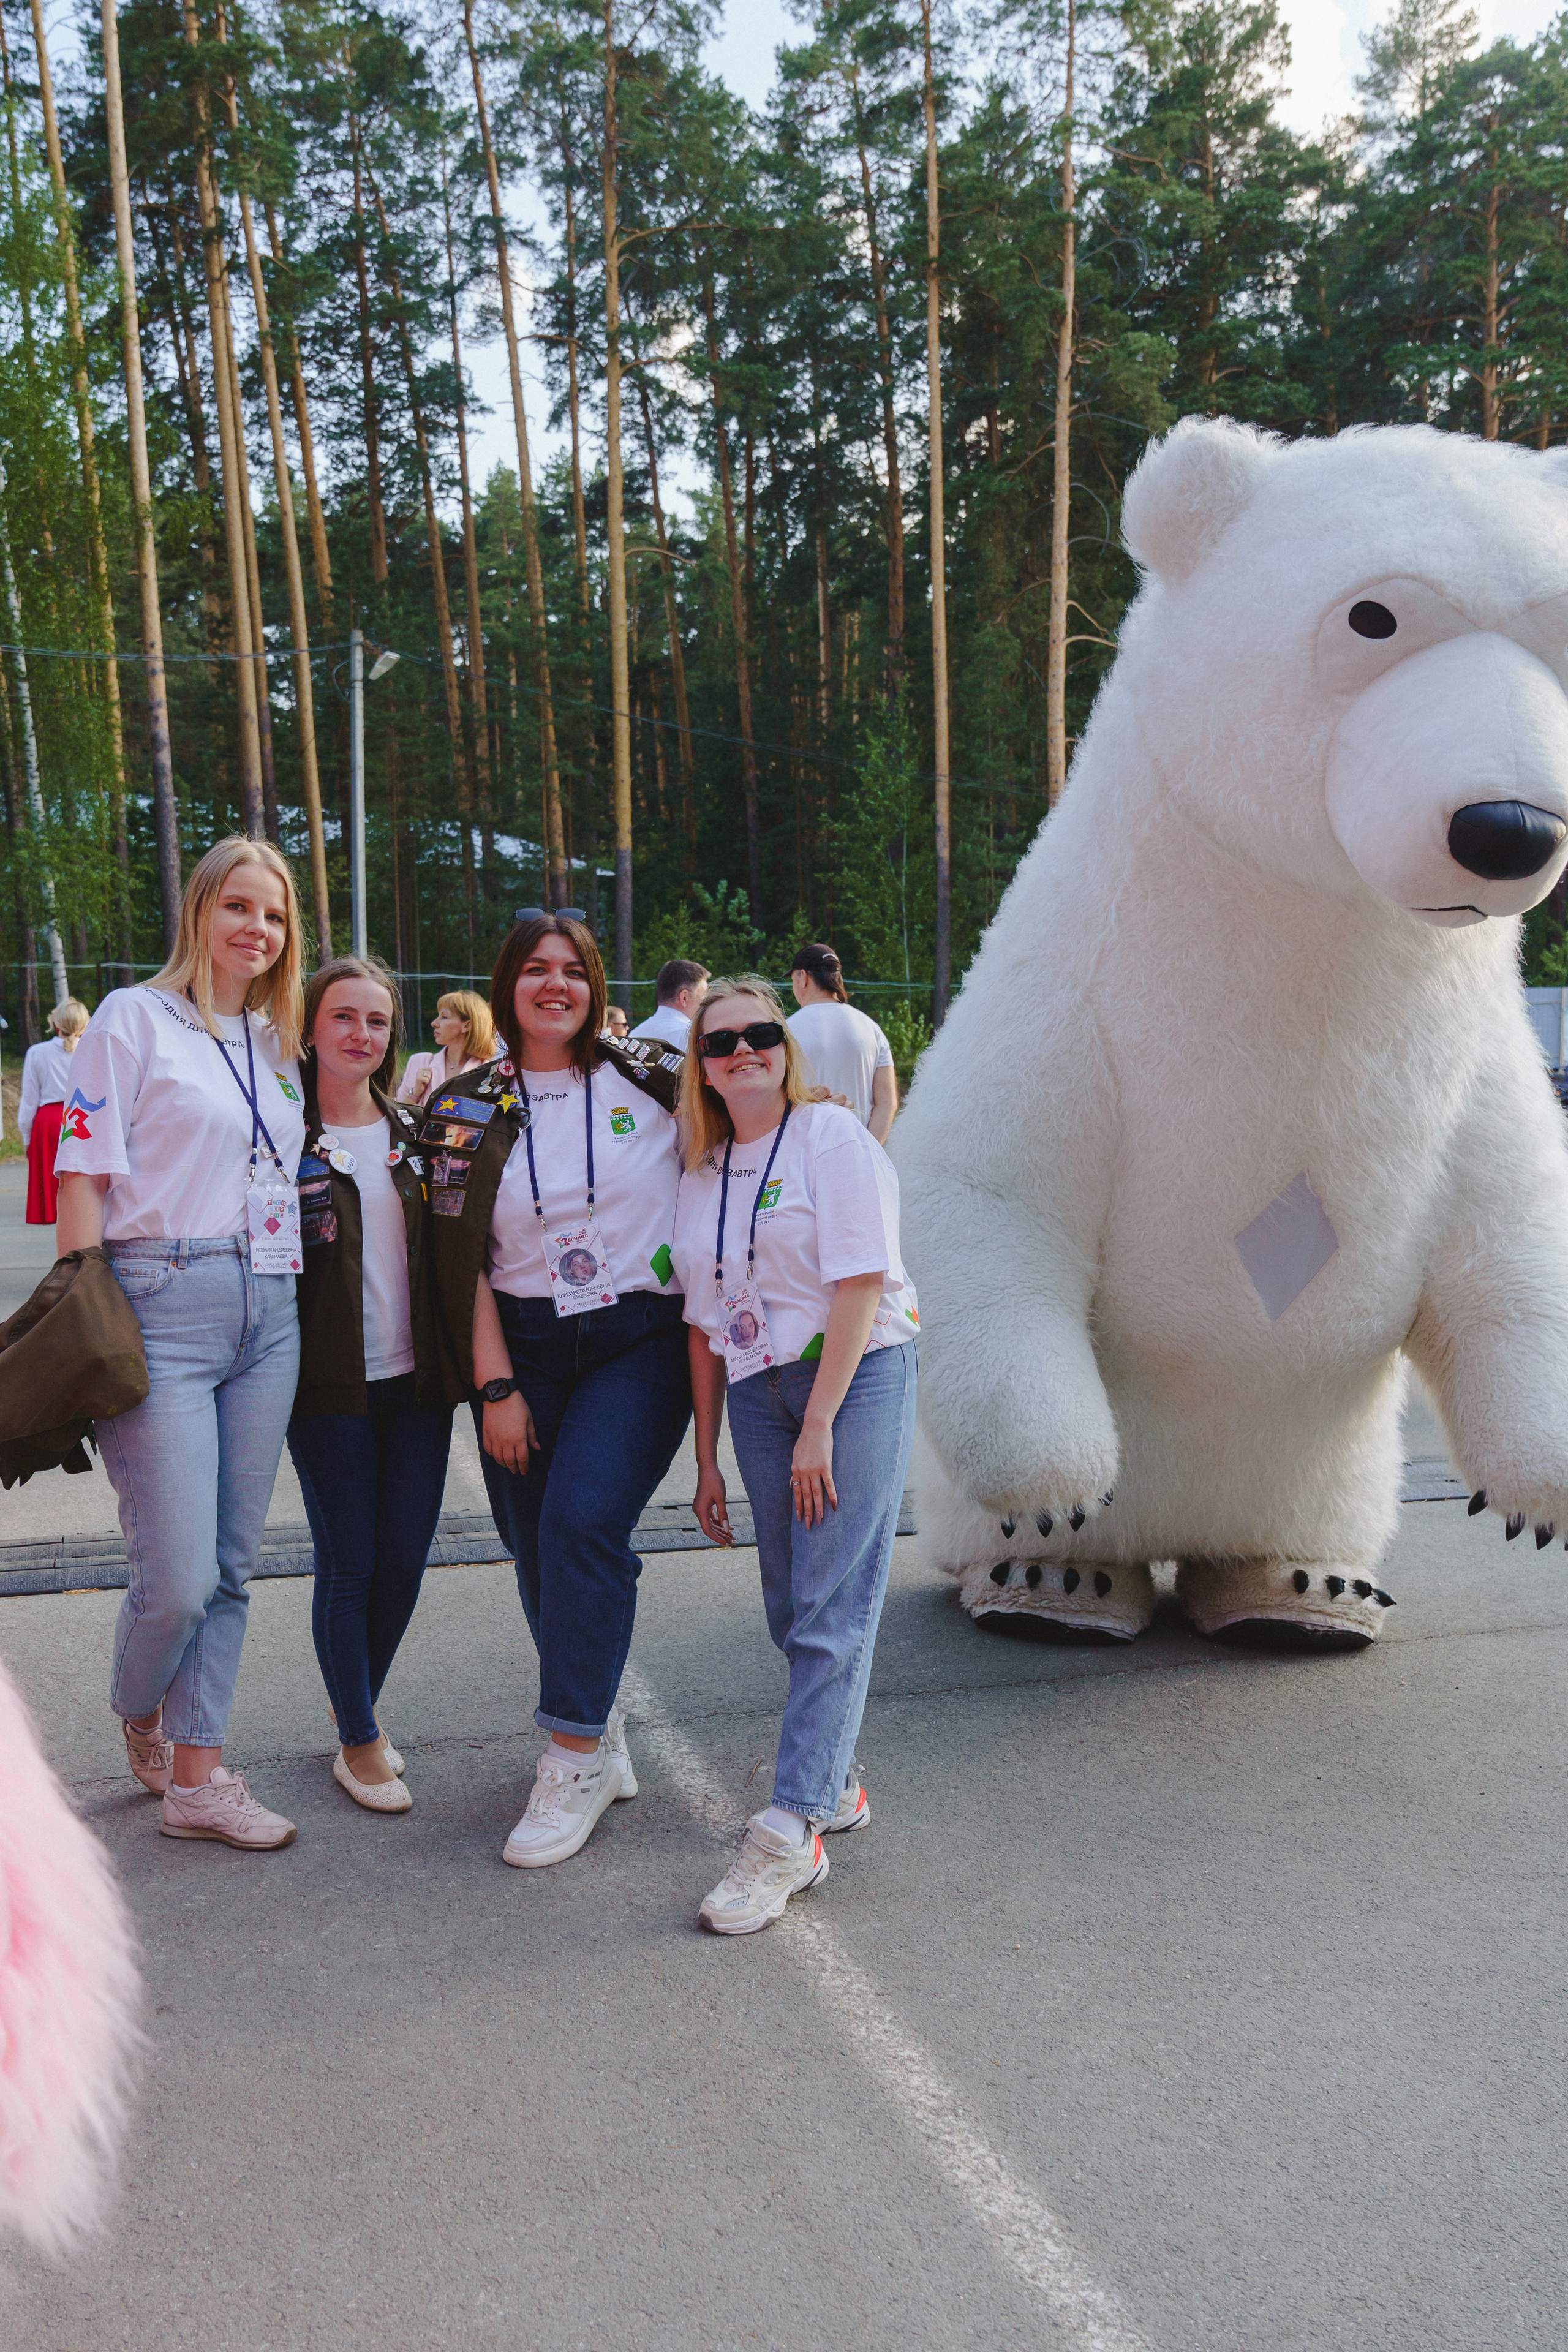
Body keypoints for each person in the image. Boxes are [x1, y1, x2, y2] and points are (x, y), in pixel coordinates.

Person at [420, 913, 690, 1869]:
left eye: (572, 971)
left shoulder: (655, 1079)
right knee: (537, 1546)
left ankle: (570, 1754)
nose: (554, 986)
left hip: (638, 1340)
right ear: (507, 985)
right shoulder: (461, 1104)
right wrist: (495, 1386)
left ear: (595, 984)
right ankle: (600, 1725)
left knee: (581, 1523)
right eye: (534, 970)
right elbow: (462, 1267)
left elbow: (757, 1137)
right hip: (522, 1347)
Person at [54, 837, 307, 1852]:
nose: (258, 929)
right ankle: (139, 1703)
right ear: (200, 910)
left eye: (277, 915)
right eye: (239, 906)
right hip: (160, 1294)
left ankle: (199, 1781)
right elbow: (83, 1169)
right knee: (178, 1576)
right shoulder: (133, 1018)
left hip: (271, 1304)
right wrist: (81, 1313)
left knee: (235, 1564)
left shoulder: (274, 1043)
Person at [672, 974, 919, 1935]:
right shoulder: (701, 1170)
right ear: (702, 1065)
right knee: (790, 1599)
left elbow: (860, 1282)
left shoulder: (832, 1138)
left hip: (852, 1378)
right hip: (754, 1388)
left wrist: (819, 1422)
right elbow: (701, 1327)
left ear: (787, 1044)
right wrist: (705, 1462)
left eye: (759, 1033)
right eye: (720, 1041)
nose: (742, 1051)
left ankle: (791, 1830)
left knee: (830, 1604)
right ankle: (837, 1780)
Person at [287, 956, 451, 1815]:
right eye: (343, 1017)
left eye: (378, 1021)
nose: (361, 1035)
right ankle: (357, 1739)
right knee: (350, 1564)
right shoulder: (280, 1134)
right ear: (311, 1028)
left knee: (406, 1565)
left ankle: (352, 1699)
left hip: (417, 1386)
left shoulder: (415, 1133)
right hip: (328, 1390)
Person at [787, 944, 898, 1141]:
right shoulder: (872, 1029)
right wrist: (869, 1150)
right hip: (856, 1154)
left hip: (800, 1158)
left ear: (802, 977)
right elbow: (887, 1103)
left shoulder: (786, 1031)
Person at [20, 998, 90, 1224]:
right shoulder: (92, 1051)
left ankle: (52, 1214)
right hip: (82, 1117)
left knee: (51, 1180)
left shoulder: (37, 1053)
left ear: (57, 1025)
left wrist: (26, 1137)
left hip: (48, 1122)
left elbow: (29, 1100)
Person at [396, 989, 496, 1106]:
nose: (434, 1023)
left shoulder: (489, 1073)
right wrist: (415, 1094)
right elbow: (397, 1116)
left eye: (444, 1017)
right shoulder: (418, 1062)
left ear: (467, 1026)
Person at [630, 958, 709, 1052]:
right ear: (684, 997)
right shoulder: (693, 1037)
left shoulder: (634, 1035)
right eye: (703, 998)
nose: (705, 1005)